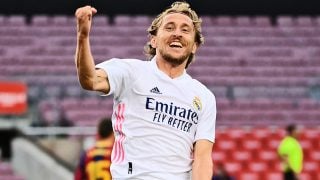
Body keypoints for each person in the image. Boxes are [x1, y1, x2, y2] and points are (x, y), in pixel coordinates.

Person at [74, 1, 217, 179]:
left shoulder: (204, 96)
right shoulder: (131, 71)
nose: (177, 34)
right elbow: (90, 80)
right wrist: (83, 36)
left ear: (194, 45)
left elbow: (202, 157)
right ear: (154, 40)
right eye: (169, 27)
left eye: (185, 30)